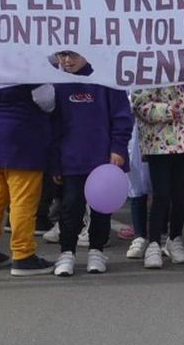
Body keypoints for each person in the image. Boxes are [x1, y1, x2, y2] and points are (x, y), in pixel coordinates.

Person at [48, 69, 132, 277]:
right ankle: (67, 251)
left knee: (101, 208)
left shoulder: (107, 79)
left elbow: (122, 116)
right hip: (70, 158)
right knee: (70, 205)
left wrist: (118, 148)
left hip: (102, 157)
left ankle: (96, 250)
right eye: (63, 55)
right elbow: (52, 125)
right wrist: (55, 162)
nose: (67, 60)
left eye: (72, 55)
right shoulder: (57, 82)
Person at [0, 81, 55, 276]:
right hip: (24, 133)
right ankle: (23, 254)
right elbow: (46, 100)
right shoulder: (27, 58)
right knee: (23, 200)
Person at [130, 81, 184, 269]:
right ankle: (154, 242)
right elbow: (139, 104)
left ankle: (174, 237)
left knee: (180, 194)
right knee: (161, 193)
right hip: (159, 143)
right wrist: (168, 110)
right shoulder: (152, 70)